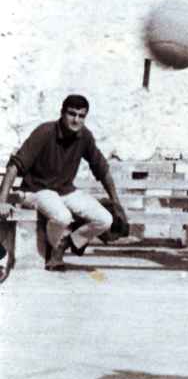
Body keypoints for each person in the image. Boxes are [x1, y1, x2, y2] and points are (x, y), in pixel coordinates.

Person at [0, 95, 127, 271]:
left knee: (105, 219)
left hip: (65, 191)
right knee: (63, 216)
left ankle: (67, 242)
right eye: (71, 114)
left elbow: (102, 169)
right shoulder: (45, 132)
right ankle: (54, 251)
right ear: (62, 113)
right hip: (36, 190)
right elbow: (15, 166)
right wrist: (2, 202)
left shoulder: (85, 136)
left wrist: (116, 202)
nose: (76, 120)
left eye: (81, 116)